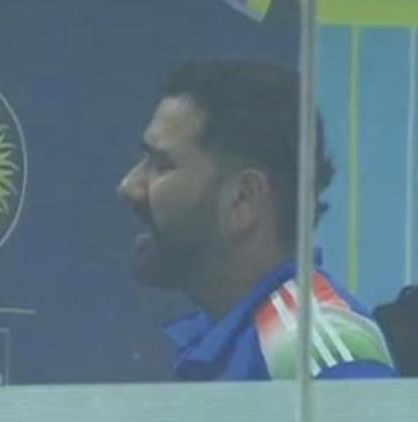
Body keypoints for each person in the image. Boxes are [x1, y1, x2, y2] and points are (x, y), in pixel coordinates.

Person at [118, 59, 396, 380]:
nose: (128, 186)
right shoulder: (231, 335)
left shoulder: (311, 349)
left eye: (161, 165)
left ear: (244, 198)